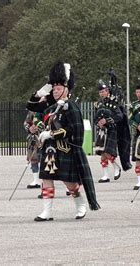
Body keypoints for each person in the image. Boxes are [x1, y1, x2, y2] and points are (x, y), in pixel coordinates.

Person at [26, 61, 100, 221]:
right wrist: (42, 90)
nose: (54, 91)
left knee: (70, 184)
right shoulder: (50, 106)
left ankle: (80, 204)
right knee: (46, 179)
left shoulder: (71, 106)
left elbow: (75, 130)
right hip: (49, 150)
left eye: (58, 88)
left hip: (65, 149)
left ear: (66, 89)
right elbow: (30, 105)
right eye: (53, 88)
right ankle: (46, 212)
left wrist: (52, 134)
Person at [93, 84, 123, 183]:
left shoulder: (113, 103)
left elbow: (119, 116)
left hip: (111, 129)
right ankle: (105, 175)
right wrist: (98, 123)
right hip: (102, 131)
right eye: (100, 92)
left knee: (107, 152)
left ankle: (116, 167)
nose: (102, 94)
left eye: (103, 91)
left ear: (107, 91)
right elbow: (95, 117)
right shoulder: (98, 104)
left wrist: (107, 120)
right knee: (102, 152)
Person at [23, 111, 41, 189]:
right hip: (33, 138)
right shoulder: (31, 112)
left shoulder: (47, 108)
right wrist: (29, 128)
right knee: (33, 159)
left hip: (44, 137)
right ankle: (36, 180)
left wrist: (39, 127)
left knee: (47, 160)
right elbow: (26, 123)